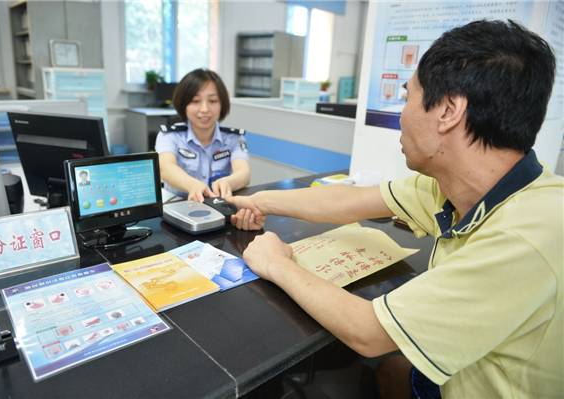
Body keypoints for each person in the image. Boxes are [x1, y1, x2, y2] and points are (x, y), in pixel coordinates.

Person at [228, 20, 562, 399]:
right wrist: (258, 201)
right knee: (390, 374)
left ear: (449, 110)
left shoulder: (527, 236)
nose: (401, 116)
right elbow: (346, 201)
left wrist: (276, 263)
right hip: (467, 364)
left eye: (407, 98)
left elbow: (369, 332)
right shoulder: (458, 185)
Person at [155, 69, 250, 201]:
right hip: (179, 210)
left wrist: (228, 182)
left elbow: (243, 173)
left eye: (212, 101)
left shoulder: (233, 138)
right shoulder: (170, 135)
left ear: (222, 104)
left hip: (219, 209)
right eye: (195, 101)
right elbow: (165, 167)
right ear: (184, 104)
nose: (204, 109)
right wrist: (192, 185)